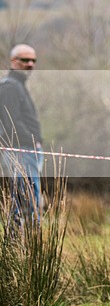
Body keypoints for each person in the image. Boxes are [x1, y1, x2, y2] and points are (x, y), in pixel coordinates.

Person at [0, 44, 43, 221]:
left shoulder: (19, 85)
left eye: (33, 60)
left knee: (27, 199)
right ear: (13, 61)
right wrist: (32, 141)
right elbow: (11, 121)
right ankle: (25, 238)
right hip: (21, 151)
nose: (30, 64)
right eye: (25, 60)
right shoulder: (9, 86)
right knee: (26, 201)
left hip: (26, 150)